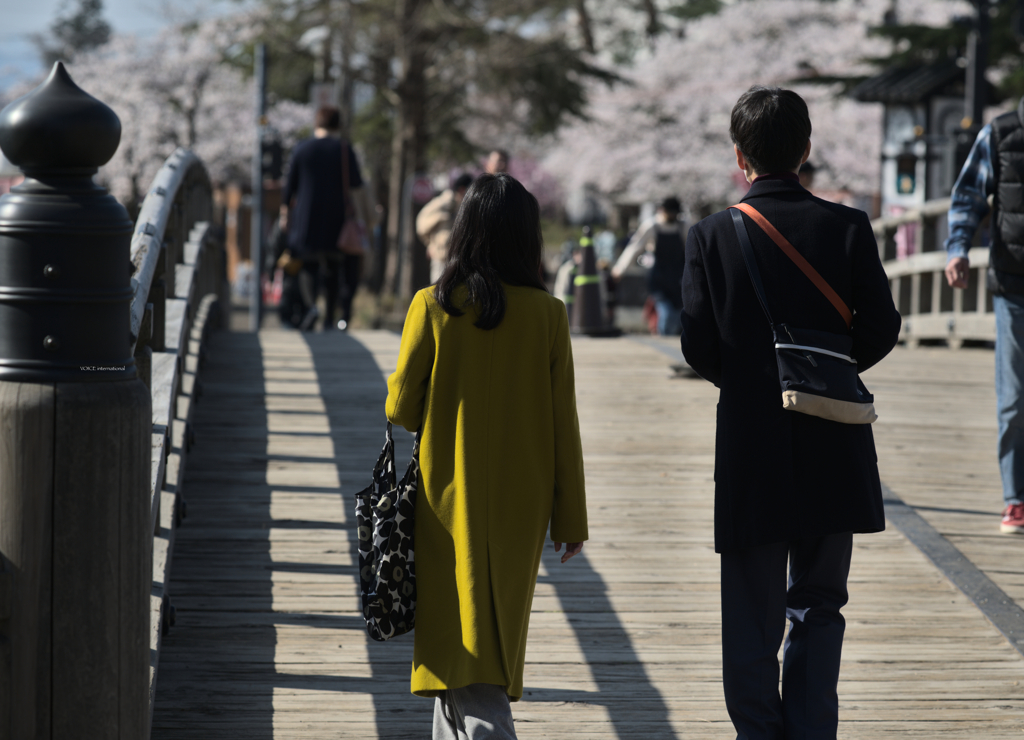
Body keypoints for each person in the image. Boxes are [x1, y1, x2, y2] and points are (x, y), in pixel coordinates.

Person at [680, 86, 901, 740]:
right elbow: (883, 327)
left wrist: (753, 381)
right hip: (834, 435)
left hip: (752, 441)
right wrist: (826, 368)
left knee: (751, 609)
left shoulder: (711, 236)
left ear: (739, 157)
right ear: (806, 150)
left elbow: (697, 344)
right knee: (820, 604)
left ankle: (758, 733)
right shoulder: (847, 227)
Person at [385, 173, 588, 740]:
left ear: (464, 232)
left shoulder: (432, 306)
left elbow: (401, 405)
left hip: (445, 496)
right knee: (490, 626)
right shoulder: (548, 314)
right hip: (523, 502)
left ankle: (486, 731)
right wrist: (571, 518)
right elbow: (562, 425)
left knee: (459, 630)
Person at [945, 98, 1024, 534]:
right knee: (1014, 398)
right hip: (1014, 286)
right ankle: (1016, 499)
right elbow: (969, 195)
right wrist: (957, 247)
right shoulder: (1000, 133)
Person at [280, 105, 368, 331]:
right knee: (333, 267)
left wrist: (285, 216)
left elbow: (289, 188)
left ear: (316, 123)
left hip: (306, 220)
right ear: (338, 125)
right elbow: (356, 184)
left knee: (308, 266)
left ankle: (311, 307)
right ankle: (330, 317)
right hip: (337, 219)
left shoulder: (302, 149)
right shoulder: (344, 150)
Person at [611, 197, 688, 335]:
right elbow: (635, 247)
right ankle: (664, 338)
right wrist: (619, 269)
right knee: (666, 313)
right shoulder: (652, 226)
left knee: (677, 315)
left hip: (678, 278)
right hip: (659, 278)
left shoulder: (683, 226)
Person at [416, 173, 474, 283]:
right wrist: (430, 244)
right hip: (441, 259)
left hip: (457, 261)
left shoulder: (461, 204)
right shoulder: (445, 202)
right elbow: (421, 225)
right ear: (462, 189)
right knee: (438, 295)